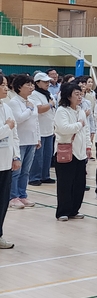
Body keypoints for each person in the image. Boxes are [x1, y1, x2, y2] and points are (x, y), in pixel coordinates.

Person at [53, 82, 92, 221]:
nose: (80, 97)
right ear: (68, 96)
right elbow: (64, 129)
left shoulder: (81, 110)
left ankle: (74, 210)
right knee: (65, 183)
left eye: (81, 94)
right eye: (77, 94)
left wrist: (88, 146)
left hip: (80, 153)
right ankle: (62, 211)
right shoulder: (61, 111)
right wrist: (79, 124)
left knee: (79, 184)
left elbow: (86, 130)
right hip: (66, 151)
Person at [8, 74, 39, 209]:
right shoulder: (14, 102)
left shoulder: (32, 101)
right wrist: (29, 109)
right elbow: (19, 119)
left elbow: (36, 121)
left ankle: (22, 194)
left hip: (31, 140)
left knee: (26, 171)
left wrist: (38, 138)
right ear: (19, 87)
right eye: (28, 84)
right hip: (20, 141)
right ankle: (13, 196)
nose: (31, 87)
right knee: (17, 170)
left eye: (32, 84)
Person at [0, 75, 20, 248]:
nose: (6, 88)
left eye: (6, 85)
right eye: (2, 85)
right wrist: (7, 126)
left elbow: (14, 135)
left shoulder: (6, 107)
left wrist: (16, 156)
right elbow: (7, 130)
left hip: (6, 163)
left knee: (3, 202)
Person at [28, 72, 56, 187]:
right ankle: (34, 177)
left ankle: (45, 175)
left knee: (48, 154)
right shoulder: (34, 95)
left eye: (48, 81)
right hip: (39, 129)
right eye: (45, 82)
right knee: (38, 156)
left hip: (49, 129)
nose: (47, 83)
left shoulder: (49, 94)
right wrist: (50, 105)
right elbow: (39, 109)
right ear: (37, 83)